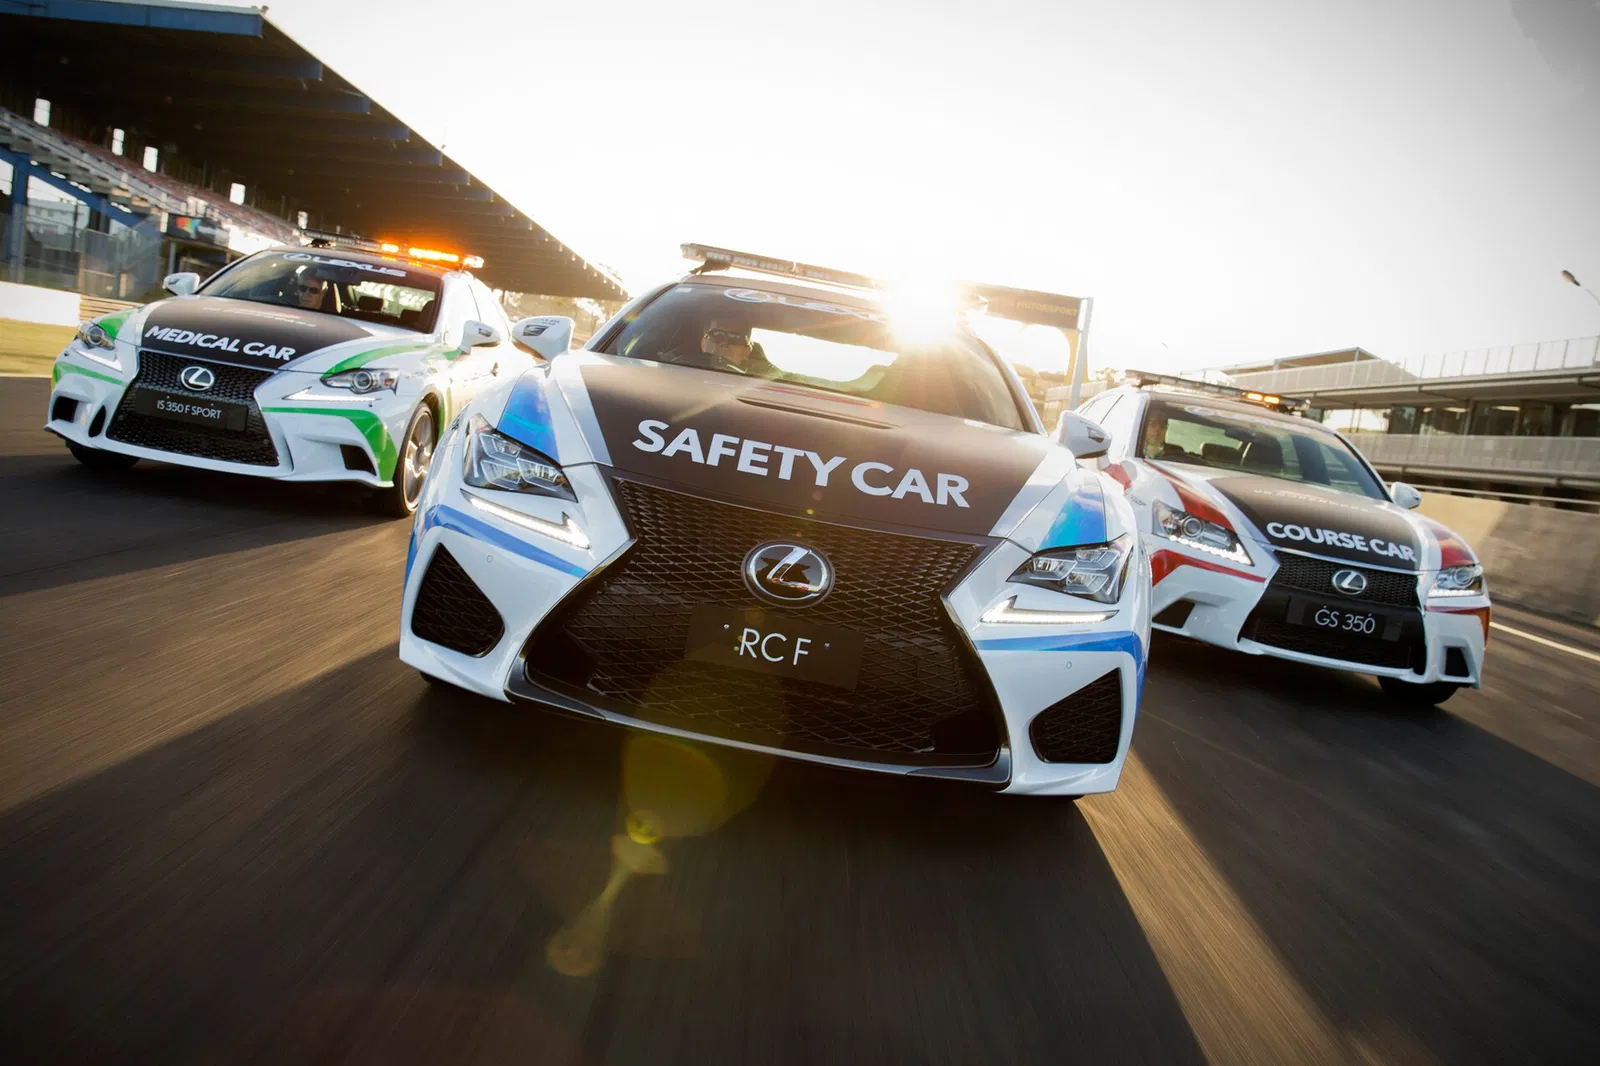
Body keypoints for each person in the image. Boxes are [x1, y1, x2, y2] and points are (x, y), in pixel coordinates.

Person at [699, 316, 773, 376]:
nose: (725, 342)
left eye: (734, 337)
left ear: (747, 351)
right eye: (717, 334)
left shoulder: (758, 383)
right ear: (703, 343)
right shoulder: (688, 372)